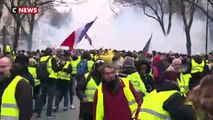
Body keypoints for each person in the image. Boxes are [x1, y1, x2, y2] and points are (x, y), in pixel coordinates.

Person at [0, 55, 33, 120]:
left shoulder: (21, 84)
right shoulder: (2, 82)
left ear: (12, 67)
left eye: (3, 67)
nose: (0, 70)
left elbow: (26, 114)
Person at [36, 48, 60, 119]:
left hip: (43, 79)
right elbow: (56, 69)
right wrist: (61, 65)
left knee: (42, 97)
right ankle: (48, 115)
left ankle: (38, 113)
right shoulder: (51, 59)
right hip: (51, 80)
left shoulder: (41, 59)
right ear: (51, 53)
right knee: (50, 97)